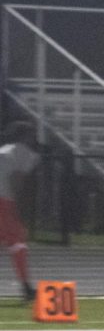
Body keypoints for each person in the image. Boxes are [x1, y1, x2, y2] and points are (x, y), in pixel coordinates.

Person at [0, 121, 40, 302]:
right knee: (18, 243)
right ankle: (25, 286)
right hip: (4, 201)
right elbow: (17, 179)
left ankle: (26, 286)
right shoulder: (23, 152)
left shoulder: (4, 150)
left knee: (14, 241)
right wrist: (19, 207)